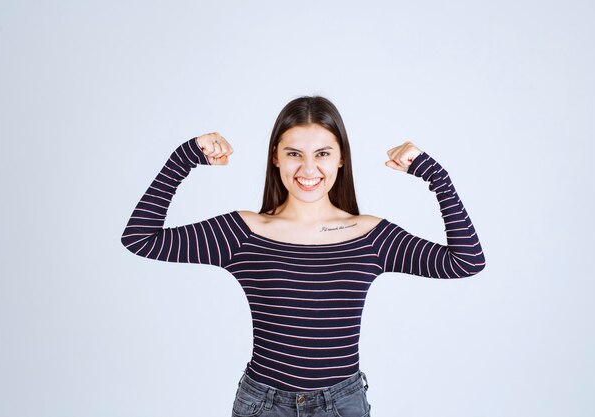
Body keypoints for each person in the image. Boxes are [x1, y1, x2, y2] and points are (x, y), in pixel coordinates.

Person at [121, 95, 486, 417]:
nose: (308, 169)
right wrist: (184, 157)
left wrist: (435, 175)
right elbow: (140, 238)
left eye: (322, 154)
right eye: (294, 153)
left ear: (341, 159)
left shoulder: (370, 235)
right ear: (275, 158)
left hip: (342, 404)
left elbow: (465, 261)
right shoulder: (244, 232)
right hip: (263, 404)